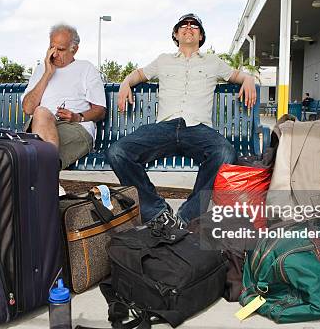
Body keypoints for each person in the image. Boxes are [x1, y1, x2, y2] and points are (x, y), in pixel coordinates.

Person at [105, 13, 257, 227]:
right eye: (183, 25)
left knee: (225, 153)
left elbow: (238, 76)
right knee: (117, 152)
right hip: (164, 128)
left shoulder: (213, 62)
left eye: (194, 25)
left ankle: (187, 216)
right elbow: (138, 74)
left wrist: (248, 79)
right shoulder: (163, 60)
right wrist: (124, 84)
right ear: (176, 34)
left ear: (201, 35)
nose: (188, 27)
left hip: (198, 129)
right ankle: (157, 211)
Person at [22, 24, 106, 179]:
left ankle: (44, 182)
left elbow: (100, 110)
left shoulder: (86, 68)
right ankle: (48, 182)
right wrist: (47, 74)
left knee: (30, 157)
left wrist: (78, 117)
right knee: (40, 112)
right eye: (51, 47)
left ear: (74, 49)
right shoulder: (41, 69)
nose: (54, 54)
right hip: (41, 124)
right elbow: (28, 109)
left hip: (76, 127)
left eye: (60, 49)